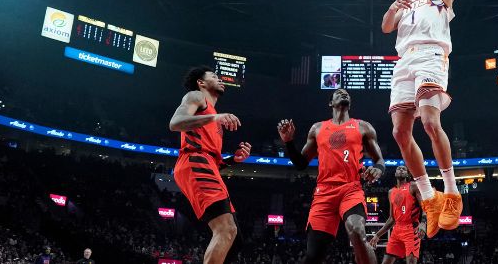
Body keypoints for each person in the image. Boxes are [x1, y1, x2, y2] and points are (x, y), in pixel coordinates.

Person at [381, 0, 484, 238]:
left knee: (428, 120)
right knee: (398, 131)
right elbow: (385, 28)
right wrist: (392, 9)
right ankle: (429, 196)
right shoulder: (409, 4)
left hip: (430, 55)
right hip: (404, 62)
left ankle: (452, 191)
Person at [277, 88, 385, 264]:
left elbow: (379, 159)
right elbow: (301, 163)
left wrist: (378, 169)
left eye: (346, 93)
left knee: (356, 230)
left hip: (351, 189)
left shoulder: (363, 127)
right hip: (324, 193)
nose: (344, 94)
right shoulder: (318, 128)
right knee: (313, 256)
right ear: (330, 103)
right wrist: (288, 142)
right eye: (339, 92)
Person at [169, 66, 252, 264]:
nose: (221, 79)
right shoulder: (196, 96)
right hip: (193, 162)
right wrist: (215, 117)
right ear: (201, 82)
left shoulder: (214, 115)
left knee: (235, 240)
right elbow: (175, 122)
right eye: (214, 76)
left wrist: (233, 159)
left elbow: (213, 162)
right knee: (226, 230)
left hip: (206, 165)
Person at [369, 166, 427, 263]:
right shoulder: (391, 192)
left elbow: (425, 206)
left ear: (407, 174)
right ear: (395, 173)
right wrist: (377, 235)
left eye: (404, 169)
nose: (401, 169)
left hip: (411, 229)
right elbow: (392, 219)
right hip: (396, 230)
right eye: (398, 169)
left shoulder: (413, 186)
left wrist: (423, 222)